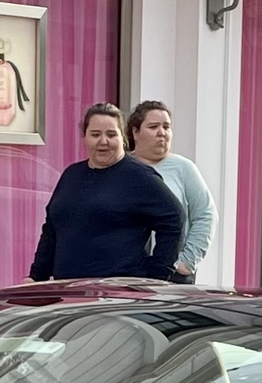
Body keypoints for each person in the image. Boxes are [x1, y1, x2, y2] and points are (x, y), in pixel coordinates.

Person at [29, 103, 182, 282]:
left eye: (111, 134)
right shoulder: (71, 175)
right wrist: (36, 277)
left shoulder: (139, 177)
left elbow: (174, 218)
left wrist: (157, 275)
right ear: (85, 137)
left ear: (123, 137)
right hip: (68, 292)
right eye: (95, 134)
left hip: (115, 297)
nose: (103, 141)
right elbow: (51, 230)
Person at [127, 101, 215, 283]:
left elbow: (206, 215)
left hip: (171, 274)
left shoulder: (184, 168)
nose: (162, 133)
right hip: (126, 272)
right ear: (135, 132)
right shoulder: (122, 168)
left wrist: (187, 261)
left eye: (166, 127)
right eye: (153, 127)